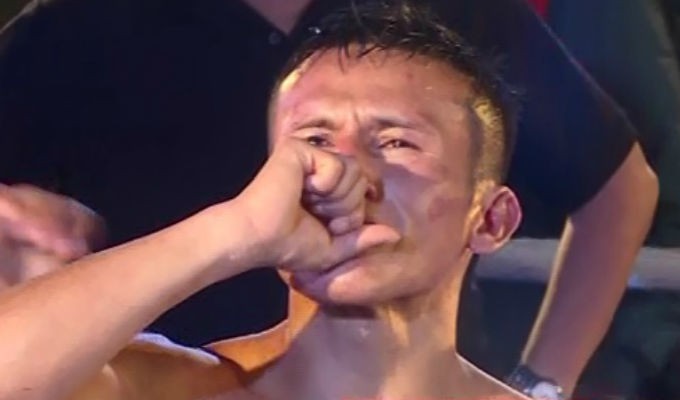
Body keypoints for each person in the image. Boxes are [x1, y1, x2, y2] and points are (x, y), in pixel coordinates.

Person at [0, 0, 658, 396]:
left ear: (490, 218)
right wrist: (232, 231)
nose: (341, 169)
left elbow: (621, 187)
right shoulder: (165, 388)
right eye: (314, 139)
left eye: (395, 142)